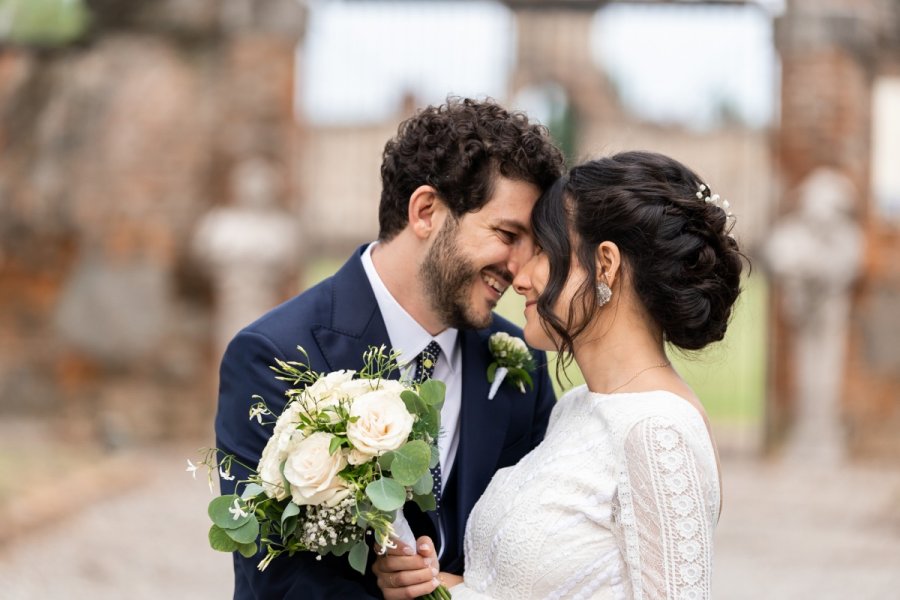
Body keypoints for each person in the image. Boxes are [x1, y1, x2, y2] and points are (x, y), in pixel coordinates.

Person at [214, 97, 565, 599]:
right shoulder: (276, 355)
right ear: (425, 212)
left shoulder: (517, 363)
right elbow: (277, 579)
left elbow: (538, 548)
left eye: (531, 244)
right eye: (507, 234)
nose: (520, 267)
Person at [376, 151, 744, 599]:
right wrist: (431, 585)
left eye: (544, 252)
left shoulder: (657, 430)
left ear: (605, 264)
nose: (521, 277)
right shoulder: (573, 409)